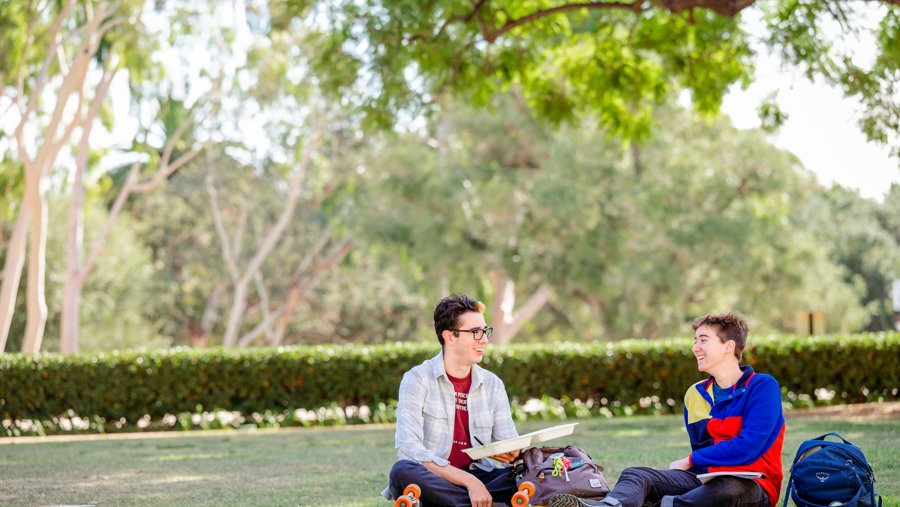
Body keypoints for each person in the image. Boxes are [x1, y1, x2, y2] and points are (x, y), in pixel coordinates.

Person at [549, 312, 785, 507]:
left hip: (753, 486)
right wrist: (696, 463)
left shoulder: (762, 387)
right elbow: (704, 451)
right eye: (695, 341)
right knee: (637, 475)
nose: (695, 348)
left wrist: (691, 459)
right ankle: (609, 506)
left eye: (703, 340)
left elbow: (748, 448)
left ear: (728, 346)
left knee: (728, 489)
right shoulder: (695, 394)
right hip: (703, 478)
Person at [383, 294, 522, 507]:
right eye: (475, 332)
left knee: (531, 473)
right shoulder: (417, 379)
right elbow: (409, 448)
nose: (484, 340)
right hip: (436, 479)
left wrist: (515, 454)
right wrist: (470, 483)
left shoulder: (493, 384)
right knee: (402, 471)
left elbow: (509, 445)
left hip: (482, 478)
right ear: (449, 337)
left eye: (485, 331)